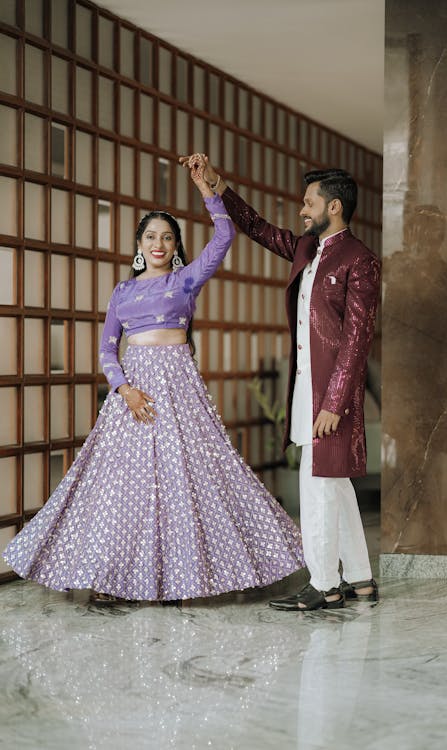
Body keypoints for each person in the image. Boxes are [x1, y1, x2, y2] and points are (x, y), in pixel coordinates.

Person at [3, 160, 304, 604]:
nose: (159, 243)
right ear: (139, 246)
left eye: (167, 237)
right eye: (151, 237)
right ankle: (113, 579)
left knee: (191, 479)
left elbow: (224, 238)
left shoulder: (186, 279)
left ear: (176, 245)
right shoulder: (122, 294)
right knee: (122, 487)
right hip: (134, 395)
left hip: (179, 388)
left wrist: (207, 192)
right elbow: (107, 349)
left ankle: (184, 580)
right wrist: (124, 390)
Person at [180, 154, 380, 611]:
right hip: (306, 388)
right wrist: (216, 184)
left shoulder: (361, 261)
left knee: (319, 487)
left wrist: (334, 402)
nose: (301, 210)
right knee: (335, 486)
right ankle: (362, 580)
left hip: (332, 397)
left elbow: (357, 341)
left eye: (309, 202)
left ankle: (325, 584)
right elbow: (256, 226)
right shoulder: (307, 250)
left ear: (334, 207)